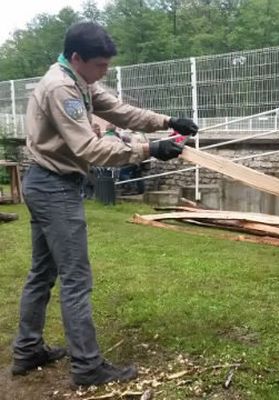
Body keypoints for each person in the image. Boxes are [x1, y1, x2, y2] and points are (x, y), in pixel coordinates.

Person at [12, 22, 198, 386]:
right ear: (78, 58)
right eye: (100, 64)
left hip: (46, 183)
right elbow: (90, 148)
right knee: (75, 279)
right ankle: (86, 366)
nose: (105, 71)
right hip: (54, 188)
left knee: (42, 274)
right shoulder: (61, 88)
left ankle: (27, 349)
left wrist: (167, 121)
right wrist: (148, 149)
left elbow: (121, 111)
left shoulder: (78, 79)